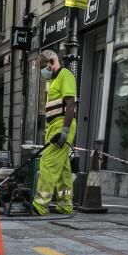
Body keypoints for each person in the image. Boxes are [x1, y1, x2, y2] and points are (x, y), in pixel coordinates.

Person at [33, 49, 77, 215]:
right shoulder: (55, 80)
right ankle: (65, 204)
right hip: (55, 126)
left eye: (44, 66)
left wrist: (64, 130)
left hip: (61, 126)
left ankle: (40, 204)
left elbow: (71, 103)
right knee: (63, 170)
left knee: (48, 164)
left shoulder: (65, 75)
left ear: (52, 62)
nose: (42, 71)